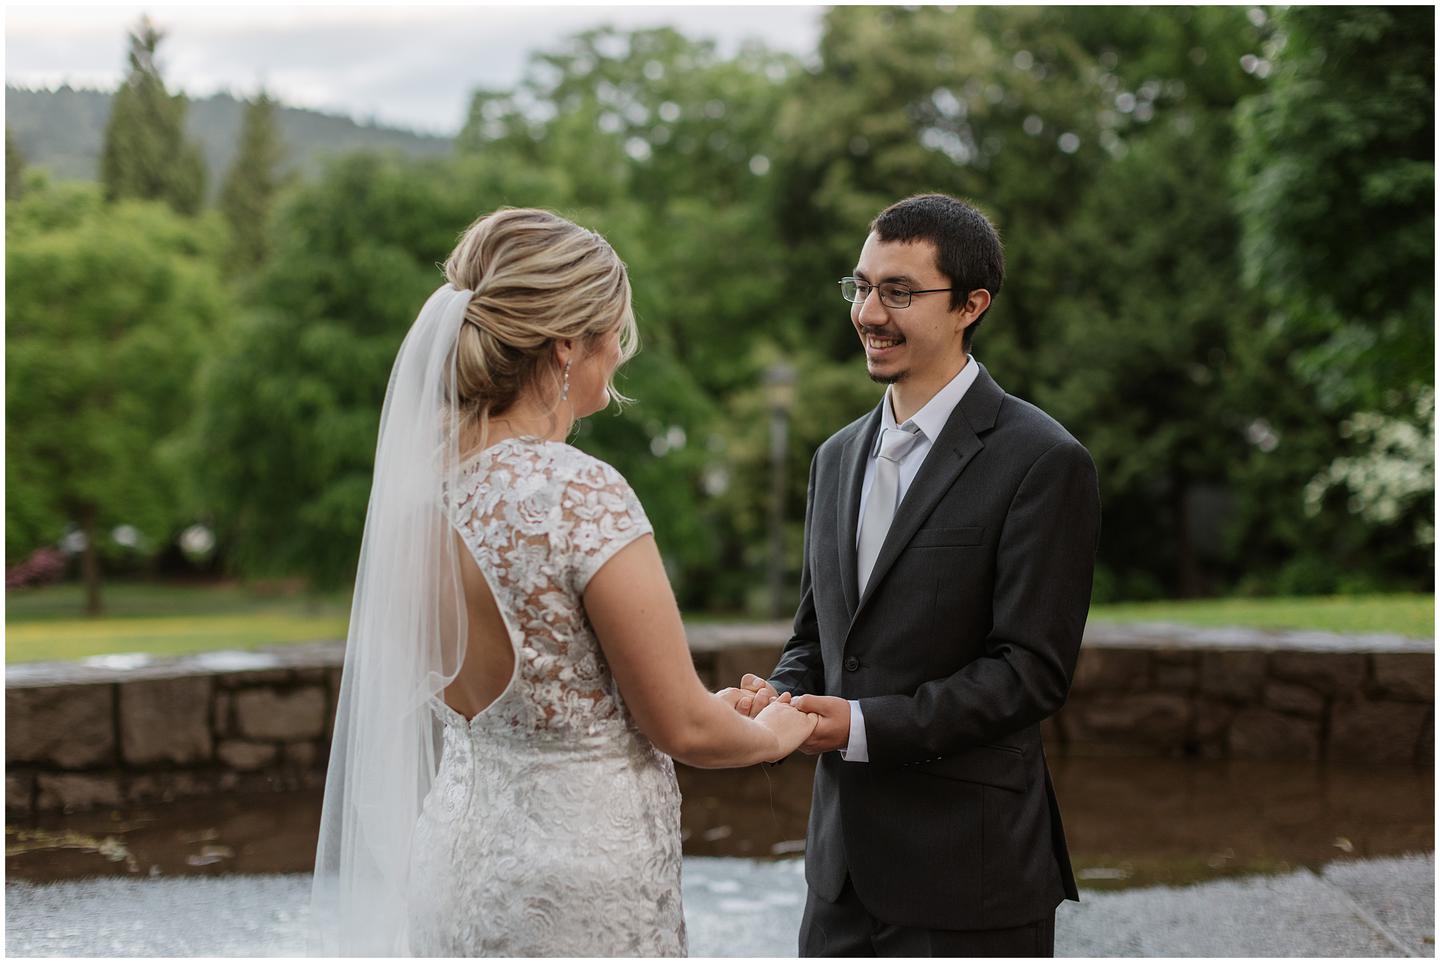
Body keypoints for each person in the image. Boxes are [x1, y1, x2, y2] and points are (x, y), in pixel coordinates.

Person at [310, 207, 816, 956]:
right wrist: (774, 730)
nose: (619, 355)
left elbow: (559, 708)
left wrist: (703, 707)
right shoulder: (576, 492)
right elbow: (680, 728)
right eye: (613, 333)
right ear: (566, 346)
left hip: (455, 858)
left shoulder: (417, 504)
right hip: (576, 883)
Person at [731, 193, 1101, 957]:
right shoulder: (833, 457)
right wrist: (784, 689)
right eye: (861, 286)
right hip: (838, 881)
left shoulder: (1044, 460)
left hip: (971, 877)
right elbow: (819, 633)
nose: (869, 312)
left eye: (899, 292)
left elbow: (1029, 673)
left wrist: (861, 725)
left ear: (972, 304)